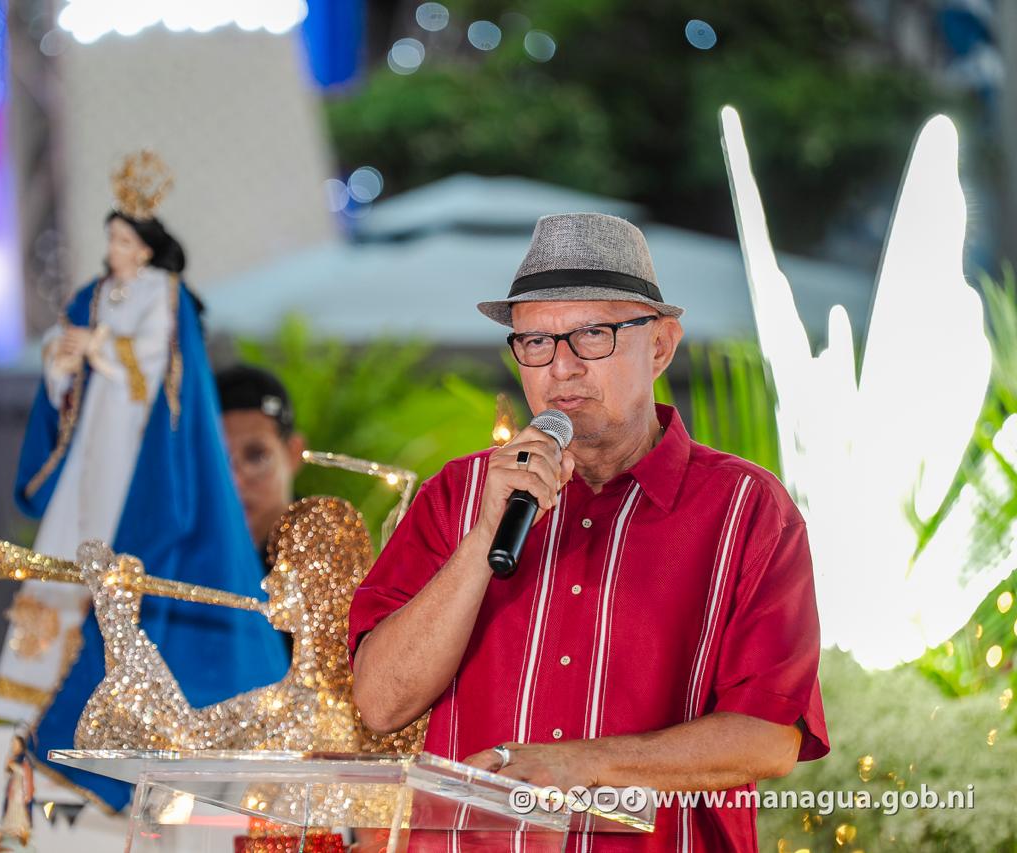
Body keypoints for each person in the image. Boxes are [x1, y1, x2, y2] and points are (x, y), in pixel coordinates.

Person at [348, 213, 828, 851]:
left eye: (592, 335)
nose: (562, 368)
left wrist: (580, 763)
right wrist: (483, 537)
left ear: (660, 346)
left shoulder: (747, 510)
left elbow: (769, 739)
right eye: (536, 342)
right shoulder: (458, 496)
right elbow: (380, 704)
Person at [0, 152, 288, 810]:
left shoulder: (165, 295)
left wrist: (99, 349)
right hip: (94, 439)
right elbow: (65, 359)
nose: (116, 250)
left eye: (125, 240)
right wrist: (62, 362)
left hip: (138, 441)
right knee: (72, 539)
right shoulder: (93, 295)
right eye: (112, 239)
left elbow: (153, 363)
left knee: (126, 543)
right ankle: (35, 682)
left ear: (149, 247)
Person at [215, 364, 305, 567]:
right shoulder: (177, 560)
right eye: (219, 460)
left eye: (257, 456)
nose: (236, 481)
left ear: (293, 453)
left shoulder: (329, 560)